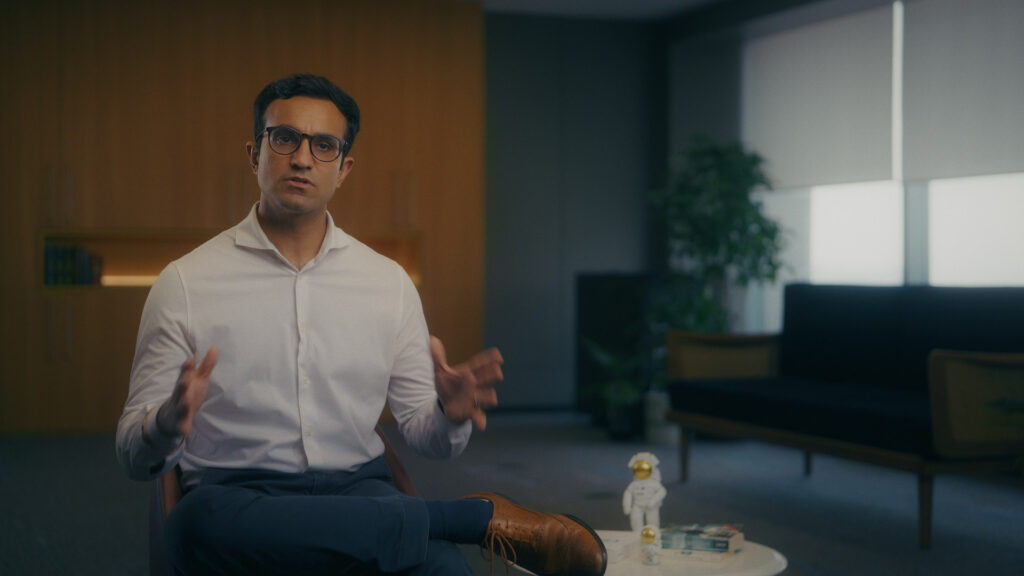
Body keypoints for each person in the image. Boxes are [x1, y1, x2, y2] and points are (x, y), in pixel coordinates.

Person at [115, 73, 606, 576]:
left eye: (324, 145)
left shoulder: (387, 283)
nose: (302, 159)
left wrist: (449, 413)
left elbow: (430, 438)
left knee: (447, 572)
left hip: (357, 487)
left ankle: (436, 523)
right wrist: (164, 425)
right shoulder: (185, 282)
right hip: (239, 496)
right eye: (284, 138)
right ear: (254, 153)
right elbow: (133, 454)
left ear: (343, 168)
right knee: (195, 524)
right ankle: (470, 520)